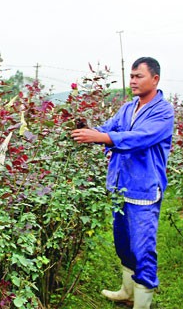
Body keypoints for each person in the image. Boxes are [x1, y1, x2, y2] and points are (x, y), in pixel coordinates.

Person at [70, 57, 175, 309]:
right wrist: (88, 131)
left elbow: (139, 138)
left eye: (139, 76)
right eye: (131, 76)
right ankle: (127, 292)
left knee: (143, 249)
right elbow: (108, 129)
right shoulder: (128, 108)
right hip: (120, 186)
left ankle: (142, 303)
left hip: (144, 190)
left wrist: (102, 137)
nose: (133, 81)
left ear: (155, 79)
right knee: (123, 243)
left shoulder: (163, 111)